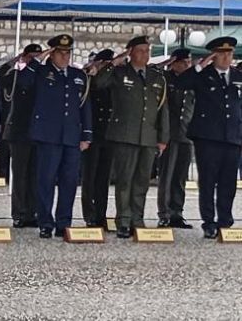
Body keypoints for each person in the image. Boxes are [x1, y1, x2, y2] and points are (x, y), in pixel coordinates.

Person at [90, 35, 169, 238]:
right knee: (125, 180)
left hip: (148, 136)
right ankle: (123, 220)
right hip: (125, 134)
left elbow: (162, 109)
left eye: (147, 51)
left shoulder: (156, 77)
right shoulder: (119, 73)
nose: (145, 54)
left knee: (142, 181)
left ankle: (137, 219)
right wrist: (114, 62)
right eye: (140, 50)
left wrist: (163, 137)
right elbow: (98, 82)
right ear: (131, 52)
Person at [18, 34, 92, 238]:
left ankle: (63, 222)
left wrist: (86, 134)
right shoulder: (41, 72)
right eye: (60, 53)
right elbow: (23, 82)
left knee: (69, 181)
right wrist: (38, 60)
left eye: (68, 53)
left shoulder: (78, 75)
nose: (65, 57)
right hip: (48, 136)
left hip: (71, 136)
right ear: (52, 53)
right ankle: (45, 222)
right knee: (46, 180)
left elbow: (84, 106)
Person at [173, 36, 242, 239]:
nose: (226, 58)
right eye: (221, 54)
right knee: (208, 181)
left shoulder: (238, 75)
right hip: (208, 137)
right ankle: (209, 222)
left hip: (232, 136)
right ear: (213, 56)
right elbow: (180, 83)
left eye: (229, 54)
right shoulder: (203, 75)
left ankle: (225, 220)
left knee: (228, 182)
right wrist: (199, 66)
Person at [0, 43, 42, 228]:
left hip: (37, 132)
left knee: (35, 175)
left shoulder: (42, 75)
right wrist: (14, 62)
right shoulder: (17, 75)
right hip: (19, 131)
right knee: (20, 175)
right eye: (32, 57)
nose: (35, 61)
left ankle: (32, 212)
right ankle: (20, 213)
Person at [158, 48, 195, 229]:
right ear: (175, 63)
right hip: (170, 134)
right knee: (167, 175)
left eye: (189, 62)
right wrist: (166, 63)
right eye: (184, 62)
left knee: (180, 177)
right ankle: (164, 214)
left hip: (187, 134)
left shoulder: (193, 80)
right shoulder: (166, 79)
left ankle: (177, 213)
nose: (187, 65)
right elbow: (152, 71)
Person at [81, 49, 116, 229]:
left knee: (104, 178)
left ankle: (101, 214)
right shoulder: (90, 79)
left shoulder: (113, 80)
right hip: (93, 133)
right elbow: (97, 85)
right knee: (90, 176)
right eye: (106, 64)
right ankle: (90, 214)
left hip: (108, 134)